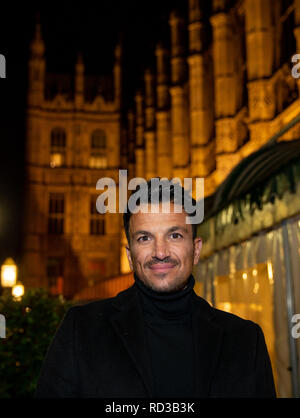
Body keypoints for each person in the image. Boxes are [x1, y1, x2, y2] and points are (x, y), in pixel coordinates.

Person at [35, 178, 276, 398]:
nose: (160, 252)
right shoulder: (82, 329)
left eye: (175, 236)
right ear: (130, 255)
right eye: (145, 238)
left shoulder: (245, 340)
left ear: (196, 249)